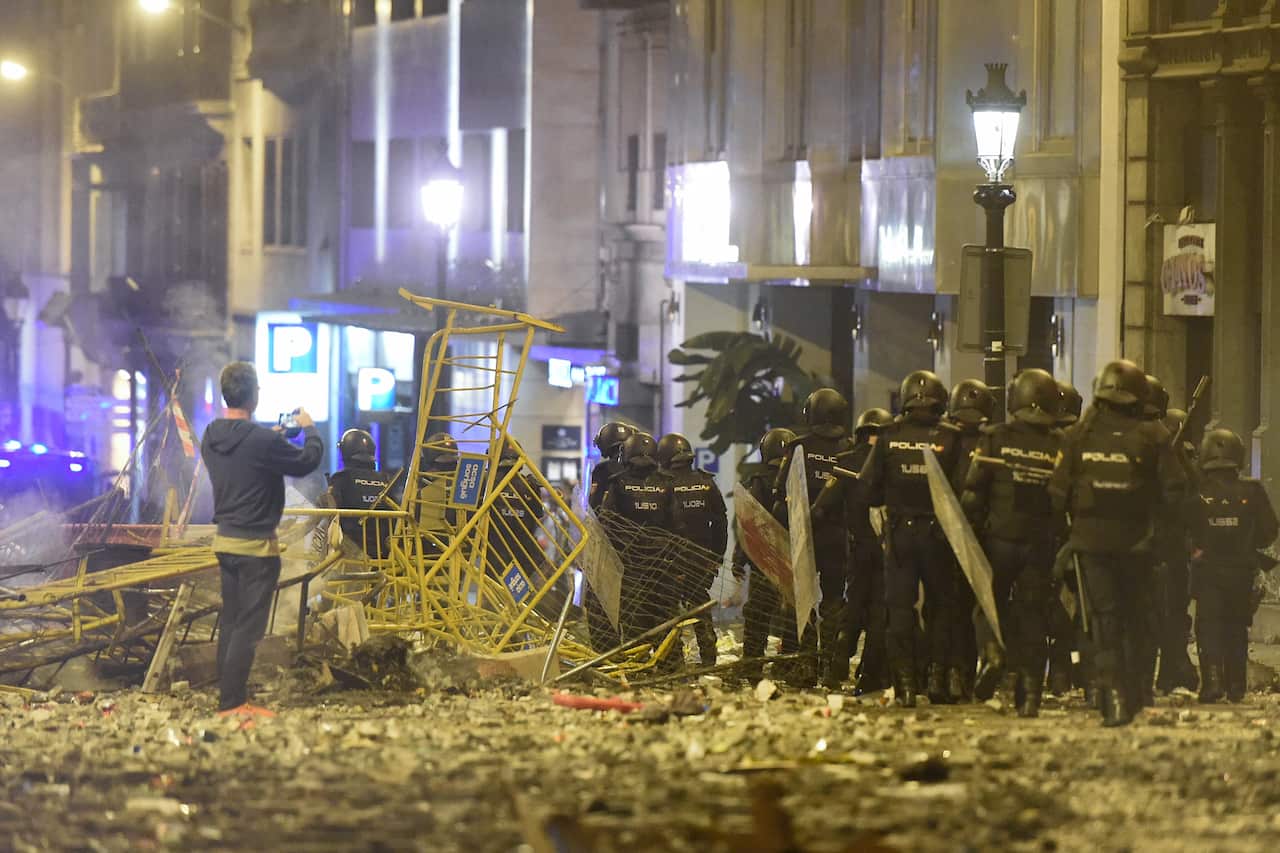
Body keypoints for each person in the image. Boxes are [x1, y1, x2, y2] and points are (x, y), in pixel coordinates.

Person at [1049, 359, 1185, 726]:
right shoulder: (1154, 437)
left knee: (1103, 620)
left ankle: (1111, 693)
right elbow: (1175, 493)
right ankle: (1136, 688)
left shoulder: (1076, 436)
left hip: (1091, 545)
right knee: (1136, 618)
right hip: (1138, 545)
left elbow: (1056, 493)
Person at [201, 362, 324, 717]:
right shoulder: (261, 441)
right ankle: (233, 704)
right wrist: (310, 428)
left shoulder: (211, 436)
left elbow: (246, 451)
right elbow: (306, 462)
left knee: (231, 620)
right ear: (255, 396)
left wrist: (270, 436)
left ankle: (227, 697)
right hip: (256, 548)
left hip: (224, 543)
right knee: (248, 628)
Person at [961, 368, 1063, 717]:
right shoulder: (1059, 445)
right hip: (1040, 545)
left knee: (987, 605)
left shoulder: (995, 437)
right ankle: (1030, 695)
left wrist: (970, 534)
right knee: (1033, 616)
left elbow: (973, 494)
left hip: (999, 541)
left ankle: (991, 653)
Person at [859, 370, 964, 706]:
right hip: (940, 536)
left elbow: (868, 490)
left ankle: (904, 685)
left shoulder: (889, 436)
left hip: (901, 536)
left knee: (900, 609)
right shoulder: (951, 437)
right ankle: (936, 676)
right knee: (942, 607)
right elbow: (964, 489)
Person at [774, 388, 856, 689]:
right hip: (838, 536)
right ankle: (831, 666)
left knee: (802, 601)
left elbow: (779, 497)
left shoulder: (797, 447)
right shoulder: (850, 447)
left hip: (804, 536)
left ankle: (805, 663)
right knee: (834, 600)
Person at [1188, 428, 1278, 703]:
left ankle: (1212, 682)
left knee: (1209, 625)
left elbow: (1181, 526)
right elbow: (1268, 531)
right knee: (1236, 627)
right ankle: (1236, 685)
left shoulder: (1196, 491)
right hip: (1241, 569)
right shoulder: (1252, 490)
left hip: (1207, 571)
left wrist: (1195, 550)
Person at [1143, 383, 1199, 697]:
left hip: (1170, 544)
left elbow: (1193, 494)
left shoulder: (1179, 455)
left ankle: (1169, 674)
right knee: (1154, 614)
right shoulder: (1147, 448)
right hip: (1153, 542)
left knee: (1173, 614)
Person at [657, 432, 727, 667]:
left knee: (669, 610)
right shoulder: (707, 482)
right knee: (699, 605)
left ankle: (673, 659)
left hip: (671, 559)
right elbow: (721, 523)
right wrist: (716, 557)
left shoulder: (663, 485)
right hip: (701, 559)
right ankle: (708, 654)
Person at [943, 379, 994, 699]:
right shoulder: (994, 440)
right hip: (984, 535)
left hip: (955, 535)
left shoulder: (946, 440)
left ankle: (958, 674)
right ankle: (973, 670)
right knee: (982, 609)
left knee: (955, 610)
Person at [735, 427, 799, 683]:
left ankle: (752, 665)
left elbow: (748, 525)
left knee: (758, 613)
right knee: (796, 614)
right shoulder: (800, 482)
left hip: (766, 561)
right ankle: (792, 663)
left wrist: (739, 559)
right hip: (796, 559)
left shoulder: (759, 482)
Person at [602, 432, 672, 642]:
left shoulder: (618, 484)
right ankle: (670, 664)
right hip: (662, 563)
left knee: (634, 618)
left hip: (629, 563)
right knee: (665, 616)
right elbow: (677, 523)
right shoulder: (667, 484)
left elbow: (607, 523)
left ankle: (638, 663)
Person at [842, 407, 893, 694]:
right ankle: (871, 674)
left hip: (857, 550)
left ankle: (837, 663)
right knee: (879, 615)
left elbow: (823, 507)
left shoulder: (846, 461)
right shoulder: (892, 461)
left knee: (852, 607)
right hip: (888, 551)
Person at [326, 429, 400, 559]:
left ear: (344, 452)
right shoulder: (386, 480)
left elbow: (327, 512)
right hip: (386, 555)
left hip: (351, 556)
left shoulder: (341, 478)